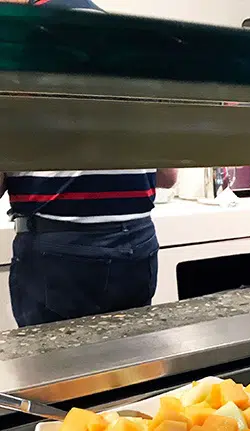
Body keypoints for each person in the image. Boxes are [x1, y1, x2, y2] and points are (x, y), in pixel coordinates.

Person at [0, 0, 178, 326]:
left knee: (56, 372)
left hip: (59, 252)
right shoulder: (128, 40)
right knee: (129, 370)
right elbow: (167, 175)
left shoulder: (20, 42)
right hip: (137, 244)